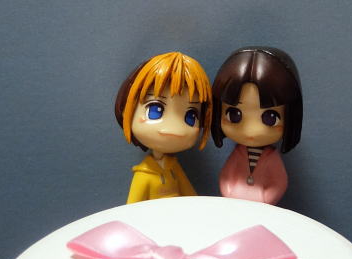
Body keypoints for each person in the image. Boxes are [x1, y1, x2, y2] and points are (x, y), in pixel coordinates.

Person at [115, 51, 212, 204]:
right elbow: (132, 207)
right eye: (155, 110)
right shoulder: (143, 174)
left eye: (191, 116)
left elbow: (190, 195)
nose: (174, 128)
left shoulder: (174, 167)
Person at [211, 47, 302, 205]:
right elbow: (226, 176)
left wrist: (266, 199)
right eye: (234, 115)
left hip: (262, 205)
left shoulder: (272, 159)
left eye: (270, 118)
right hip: (233, 202)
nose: (251, 130)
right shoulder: (238, 155)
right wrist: (228, 193)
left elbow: (279, 183)